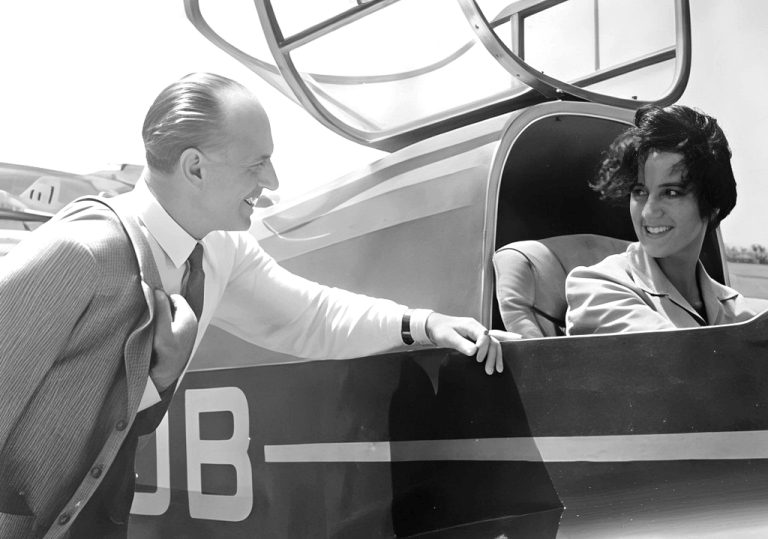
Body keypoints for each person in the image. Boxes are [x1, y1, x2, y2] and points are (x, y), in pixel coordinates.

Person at [0, 72, 516, 539]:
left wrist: (423, 324)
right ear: (195, 168)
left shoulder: (220, 249)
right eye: (257, 164)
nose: (272, 181)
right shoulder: (81, 250)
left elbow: (309, 317)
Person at [565, 104, 757, 335]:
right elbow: (681, 354)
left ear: (712, 207)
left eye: (671, 193)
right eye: (639, 192)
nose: (648, 212)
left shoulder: (737, 310)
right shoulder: (598, 288)